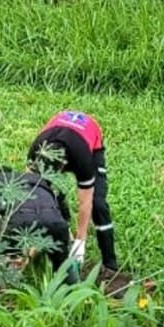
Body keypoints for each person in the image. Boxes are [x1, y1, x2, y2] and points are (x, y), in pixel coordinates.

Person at [27, 110, 117, 273]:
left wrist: (80, 241)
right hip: (57, 127)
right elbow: (29, 189)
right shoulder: (36, 150)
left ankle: (110, 265)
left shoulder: (81, 157)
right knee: (45, 192)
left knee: (98, 205)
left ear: (64, 165)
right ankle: (63, 227)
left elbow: (85, 203)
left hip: (88, 133)